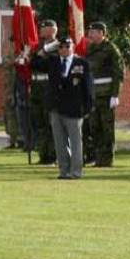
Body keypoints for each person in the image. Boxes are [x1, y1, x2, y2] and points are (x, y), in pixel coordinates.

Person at [46, 35, 93, 179]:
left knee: (76, 142)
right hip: (56, 107)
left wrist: (88, 107)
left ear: (72, 47)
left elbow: (88, 87)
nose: (65, 49)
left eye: (67, 46)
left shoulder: (82, 63)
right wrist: (48, 47)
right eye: (61, 47)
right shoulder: (53, 62)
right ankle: (64, 170)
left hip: (74, 108)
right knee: (60, 142)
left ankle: (75, 171)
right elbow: (34, 61)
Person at [84, 22, 124, 167]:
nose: (90, 34)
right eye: (90, 31)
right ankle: (98, 157)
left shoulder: (110, 49)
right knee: (95, 127)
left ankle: (107, 159)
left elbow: (118, 72)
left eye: (93, 31)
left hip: (106, 94)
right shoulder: (90, 49)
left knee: (107, 128)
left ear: (102, 33)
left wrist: (115, 94)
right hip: (93, 94)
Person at [28, 20, 60, 164]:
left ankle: (53, 156)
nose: (40, 29)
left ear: (52, 29)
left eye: (43, 27)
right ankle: (43, 155)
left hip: (49, 88)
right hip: (36, 88)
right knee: (40, 124)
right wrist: (37, 59)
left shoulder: (59, 46)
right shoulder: (38, 46)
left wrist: (39, 60)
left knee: (50, 124)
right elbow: (32, 63)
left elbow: (50, 65)